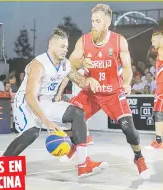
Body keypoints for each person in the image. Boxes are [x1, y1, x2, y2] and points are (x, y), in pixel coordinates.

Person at [57, 4, 150, 179]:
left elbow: (127, 67)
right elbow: (72, 62)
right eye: (92, 21)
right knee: (68, 117)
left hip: (113, 93)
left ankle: (139, 157)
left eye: (98, 21)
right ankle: (78, 150)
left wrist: (128, 82)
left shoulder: (118, 40)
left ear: (107, 22)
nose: (94, 24)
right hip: (91, 92)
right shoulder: (84, 41)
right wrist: (83, 62)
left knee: (129, 130)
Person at [2, 28, 108, 178]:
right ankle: (4, 163)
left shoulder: (65, 64)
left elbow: (81, 81)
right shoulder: (39, 64)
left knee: (78, 113)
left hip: (45, 103)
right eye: (61, 46)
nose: (65, 50)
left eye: (66, 46)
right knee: (32, 133)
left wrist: (89, 80)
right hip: (25, 103)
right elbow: (30, 95)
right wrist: (45, 121)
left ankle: (83, 164)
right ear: (51, 45)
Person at [150, 32, 163, 148]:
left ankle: (159, 141)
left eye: (154, 41)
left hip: (162, 86)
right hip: (160, 84)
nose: (152, 44)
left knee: (159, 112)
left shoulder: (161, 51)